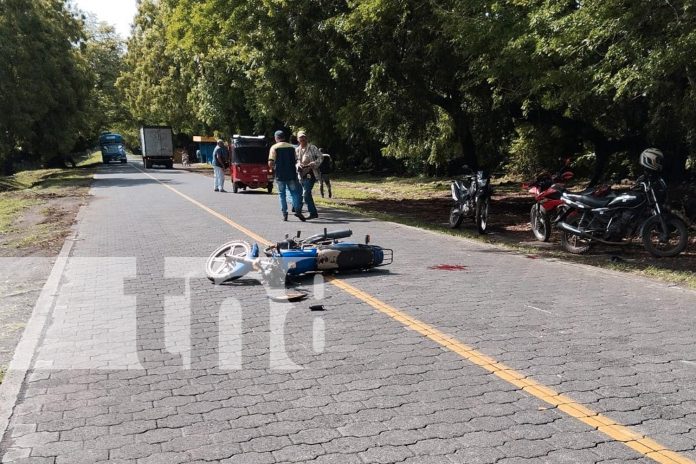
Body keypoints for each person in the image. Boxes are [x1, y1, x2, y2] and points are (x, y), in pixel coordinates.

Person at [269, 130, 305, 221]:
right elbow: (297, 160)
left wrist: (274, 167)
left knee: (282, 195)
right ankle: (297, 210)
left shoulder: (274, 147)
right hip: (291, 174)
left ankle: (285, 214)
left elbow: (270, 162)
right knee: (294, 193)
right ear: (284, 137)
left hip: (280, 175)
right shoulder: (292, 147)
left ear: (276, 138)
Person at [295, 130, 321, 219]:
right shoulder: (297, 150)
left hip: (311, 173)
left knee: (306, 193)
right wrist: (298, 165)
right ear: (298, 139)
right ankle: (313, 213)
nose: (302, 139)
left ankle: (298, 210)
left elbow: (321, 157)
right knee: (307, 194)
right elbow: (295, 161)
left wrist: (314, 163)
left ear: (306, 138)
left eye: (304, 137)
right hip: (301, 175)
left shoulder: (312, 148)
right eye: (300, 138)